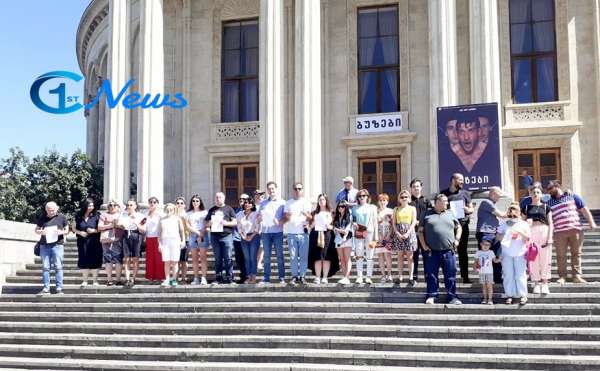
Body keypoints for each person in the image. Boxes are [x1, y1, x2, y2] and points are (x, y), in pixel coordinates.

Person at [546, 180, 598, 284]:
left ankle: (576, 276)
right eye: (547, 190)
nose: (549, 192)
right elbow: (535, 197)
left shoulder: (573, 196)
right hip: (559, 232)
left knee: (576, 254)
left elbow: (584, 210)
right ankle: (562, 277)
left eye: (550, 189)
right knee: (561, 255)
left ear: (557, 187)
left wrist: (591, 222)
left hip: (576, 230)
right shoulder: (548, 202)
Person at [419, 194, 462, 305]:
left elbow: (459, 227)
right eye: (445, 201)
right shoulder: (426, 214)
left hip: (448, 250)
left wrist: (457, 240)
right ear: (437, 202)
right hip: (431, 251)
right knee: (431, 274)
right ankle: (432, 295)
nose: (447, 203)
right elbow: (420, 231)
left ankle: (452, 297)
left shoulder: (450, 213)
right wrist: (424, 245)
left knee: (450, 274)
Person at [441, 173, 474, 284]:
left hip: (463, 225)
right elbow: (439, 208)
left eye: (462, 180)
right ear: (453, 180)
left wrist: (466, 209)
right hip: (449, 226)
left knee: (463, 251)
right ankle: (450, 277)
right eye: (460, 180)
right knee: (449, 251)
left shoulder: (465, 193)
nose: (462, 182)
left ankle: (465, 276)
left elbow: (471, 209)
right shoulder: (444, 193)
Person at [497, 203, 530, 305]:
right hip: (506, 253)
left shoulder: (524, 224)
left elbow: (527, 238)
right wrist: (506, 232)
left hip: (520, 253)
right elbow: (497, 238)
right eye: (510, 215)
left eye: (514, 215)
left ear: (519, 214)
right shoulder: (503, 223)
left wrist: (519, 232)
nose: (512, 217)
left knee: (520, 275)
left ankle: (523, 295)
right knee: (508, 275)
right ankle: (509, 295)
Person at [523, 185, 553, 294]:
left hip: (544, 231)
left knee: (545, 259)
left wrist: (550, 237)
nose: (536, 194)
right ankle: (536, 282)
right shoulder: (526, 208)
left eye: (538, 192)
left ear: (541, 194)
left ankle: (545, 283)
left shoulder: (546, 207)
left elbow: (551, 223)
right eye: (533, 192)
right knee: (533, 258)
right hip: (532, 232)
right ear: (530, 194)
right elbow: (522, 223)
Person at [35, 201, 69, 295]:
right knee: (46, 267)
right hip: (44, 245)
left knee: (58, 266)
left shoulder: (61, 217)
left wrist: (61, 232)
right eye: (49, 210)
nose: (51, 212)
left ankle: (59, 288)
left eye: (53, 210)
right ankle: (46, 288)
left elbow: (67, 230)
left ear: (57, 208)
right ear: (46, 210)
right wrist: (40, 232)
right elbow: (36, 230)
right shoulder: (43, 218)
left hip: (57, 245)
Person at [205, 192, 238, 284]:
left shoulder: (229, 209)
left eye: (220, 197)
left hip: (226, 236)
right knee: (218, 258)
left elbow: (235, 222)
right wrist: (210, 223)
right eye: (217, 197)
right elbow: (206, 224)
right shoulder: (212, 210)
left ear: (224, 198)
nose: (218, 199)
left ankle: (230, 278)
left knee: (228, 257)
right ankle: (218, 278)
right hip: (215, 237)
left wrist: (226, 223)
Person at [257, 182, 286, 285]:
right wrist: (259, 218)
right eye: (269, 189)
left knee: (279, 255)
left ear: (276, 189)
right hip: (265, 232)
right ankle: (266, 278)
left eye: (273, 188)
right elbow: (258, 217)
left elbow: (286, 217)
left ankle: (282, 277)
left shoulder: (282, 202)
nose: (271, 191)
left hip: (277, 232)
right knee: (266, 256)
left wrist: (280, 222)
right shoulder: (263, 203)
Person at [284, 182, 312, 285]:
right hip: (291, 233)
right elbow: (285, 217)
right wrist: (287, 216)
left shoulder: (306, 202)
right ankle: (294, 276)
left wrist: (306, 215)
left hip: (303, 234)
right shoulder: (288, 203)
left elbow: (310, 218)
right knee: (293, 257)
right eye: (295, 189)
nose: (297, 191)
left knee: (304, 257)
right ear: (293, 190)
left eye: (300, 189)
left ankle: (303, 276)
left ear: (302, 190)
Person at [475, 186, 505, 284]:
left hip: (493, 233)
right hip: (485, 233)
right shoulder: (486, 202)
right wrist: (514, 213)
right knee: (485, 257)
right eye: (498, 195)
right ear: (492, 194)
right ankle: (486, 280)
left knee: (496, 255)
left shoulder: (492, 204)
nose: (500, 198)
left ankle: (497, 278)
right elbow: (501, 214)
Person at [308, 194, 339, 284]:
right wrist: (312, 224)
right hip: (315, 235)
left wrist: (330, 226)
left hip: (327, 235)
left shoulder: (331, 212)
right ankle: (317, 277)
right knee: (317, 257)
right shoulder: (314, 213)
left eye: (323, 199)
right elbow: (310, 225)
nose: (321, 201)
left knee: (326, 256)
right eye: (320, 200)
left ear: (326, 201)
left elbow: (335, 226)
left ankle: (325, 277)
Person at [73, 198, 102, 287]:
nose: (91, 207)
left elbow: (101, 228)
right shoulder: (78, 215)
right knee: (83, 259)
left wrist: (94, 230)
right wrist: (80, 232)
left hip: (94, 241)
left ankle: (95, 281)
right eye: (89, 205)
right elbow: (73, 228)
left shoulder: (97, 215)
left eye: (92, 205)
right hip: (82, 241)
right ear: (85, 205)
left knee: (95, 260)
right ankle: (85, 280)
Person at [352, 189, 379, 284]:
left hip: (370, 232)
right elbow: (353, 219)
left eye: (364, 195)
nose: (362, 197)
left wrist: (376, 235)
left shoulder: (373, 207)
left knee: (370, 254)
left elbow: (375, 221)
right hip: (359, 232)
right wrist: (354, 223)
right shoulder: (355, 208)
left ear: (367, 197)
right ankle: (359, 276)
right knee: (359, 254)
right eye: (360, 196)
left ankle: (368, 276)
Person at [116, 199, 145, 287]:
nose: (129, 207)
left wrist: (136, 222)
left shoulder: (140, 216)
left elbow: (143, 230)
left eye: (131, 205)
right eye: (128, 205)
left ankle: (133, 278)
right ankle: (127, 279)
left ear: (135, 206)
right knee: (126, 258)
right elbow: (118, 224)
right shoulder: (123, 215)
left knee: (135, 259)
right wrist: (121, 225)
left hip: (136, 235)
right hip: (126, 235)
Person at [391, 190, 418, 284]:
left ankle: (411, 277)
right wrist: (397, 233)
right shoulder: (396, 209)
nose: (404, 198)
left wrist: (408, 233)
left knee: (410, 257)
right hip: (398, 233)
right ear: (399, 198)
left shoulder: (412, 208)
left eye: (406, 197)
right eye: (402, 197)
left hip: (409, 233)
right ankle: (400, 276)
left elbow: (414, 221)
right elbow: (393, 223)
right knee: (400, 256)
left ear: (409, 198)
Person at [159, 203, 186, 287]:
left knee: (175, 262)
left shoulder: (178, 219)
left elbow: (182, 231)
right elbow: (159, 233)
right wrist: (159, 244)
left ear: (174, 210)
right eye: (167, 209)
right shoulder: (162, 220)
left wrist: (183, 241)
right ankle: (167, 279)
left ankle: (174, 279)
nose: (169, 211)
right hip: (165, 242)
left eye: (171, 209)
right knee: (166, 262)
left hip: (175, 241)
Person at [97, 200, 124, 286]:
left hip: (118, 239)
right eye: (110, 205)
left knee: (118, 259)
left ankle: (118, 279)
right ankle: (109, 279)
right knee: (108, 259)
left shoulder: (122, 215)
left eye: (114, 205)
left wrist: (117, 225)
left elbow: (124, 226)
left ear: (118, 206)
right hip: (106, 240)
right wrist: (110, 225)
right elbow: (99, 227)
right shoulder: (104, 215)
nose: (112, 207)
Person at [409, 178, 430, 284]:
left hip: (425, 233)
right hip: (413, 233)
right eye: (414, 186)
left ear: (421, 187)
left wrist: (422, 222)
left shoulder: (426, 201)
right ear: (411, 189)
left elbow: (431, 215)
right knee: (414, 255)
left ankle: (427, 275)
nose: (416, 188)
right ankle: (414, 276)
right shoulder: (409, 202)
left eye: (417, 186)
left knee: (426, 254)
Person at [140, 197, 165, 284]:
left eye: (154, 202)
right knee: (149, 258)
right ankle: (150, 277)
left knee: (159, 258)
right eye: (150, 202)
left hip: (158, 238)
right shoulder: (146, 214)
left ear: (157, 204)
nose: (152, 204)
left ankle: (159, 277)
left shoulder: (161, 214)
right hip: (148, 238)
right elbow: (142, 225)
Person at [185, 195, 209, 285]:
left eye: (197, 201)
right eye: (194, 201)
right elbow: (187, 226)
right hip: (193, 235)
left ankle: (203, 277)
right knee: (194, 258)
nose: (195, 202)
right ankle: (196, 278)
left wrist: (201, 232)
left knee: (203, 257)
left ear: (200, 202)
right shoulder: (188, 213)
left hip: (203, 234)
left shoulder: (205, 212)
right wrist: (196, 233)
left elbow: (207, 223)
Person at [237, 197, 260, 284]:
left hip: (254, 236)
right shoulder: (239, 214)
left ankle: (253, 277)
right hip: (244, 237)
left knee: (252, 257)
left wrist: (252, 236)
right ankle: (248, 276)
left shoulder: (256, 214)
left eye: (249, 203)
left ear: (253, 204)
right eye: (246, 203)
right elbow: (238, 226)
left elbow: (258, 226)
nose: (247, 204)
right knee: (247, 258)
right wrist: (243, 235)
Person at [474, 236, 500, 305]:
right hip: (482, 272)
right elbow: (476, 262)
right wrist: (475, 268)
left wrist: (500, 259)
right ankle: (485, 299)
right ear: (481, 244)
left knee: (489, 285)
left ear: (490, 246)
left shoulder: (491, 252)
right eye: (484, 244)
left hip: (489, 272)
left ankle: (490, 299)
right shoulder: (478, 252)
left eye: (487, 245)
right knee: (484, 286)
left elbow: (495, 260)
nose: (485, 246)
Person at [333, 201, 353, 285]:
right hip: (338, 240)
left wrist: (338, 230)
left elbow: (346, 231)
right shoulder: (336, 217)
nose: (340, 208)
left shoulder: (349, 216)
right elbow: (334, 230)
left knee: (347, 258)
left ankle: (347, 277)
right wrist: (338, 230)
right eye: (339, 207)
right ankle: (344, 277)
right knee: (342, 259)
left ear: (346, 208)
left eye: (342, 206)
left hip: (347, 240)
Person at [375, 193, 393, 284]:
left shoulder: (391, 211)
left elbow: (393, 225)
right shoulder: (376, 211)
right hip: (379, 235)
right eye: (380, 200)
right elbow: (375, 225)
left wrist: (388, 235)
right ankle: (383, 275)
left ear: (387, 201)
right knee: (380, 256)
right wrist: (378, 236)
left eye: (384, 200)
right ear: (378, 202)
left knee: (388, 255)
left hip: (388, 235)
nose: (382, 202)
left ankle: (389, 274)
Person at [232, 195, 247, 284]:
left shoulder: (251, 210)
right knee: (239, 258)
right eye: (240, 199)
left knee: (247, 258)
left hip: (247, 238)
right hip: (237, 238)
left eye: (244, 199)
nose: (241, 200)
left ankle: (248, 276)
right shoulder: (236, 211)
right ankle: (243, 276)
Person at [175, 197, 190, 283]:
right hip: (174, 239)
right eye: (178, 203)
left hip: (185, 239)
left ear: (184, 205)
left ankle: (184, 278)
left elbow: (189, 227)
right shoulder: (173, 215)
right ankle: (175, 278)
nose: (179, 205)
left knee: (184, 260)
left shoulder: (187, 215)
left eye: (181, 203)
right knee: (176, 260)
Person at [253, 190, 266, 270]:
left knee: (262, 247)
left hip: (264, 229)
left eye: (261, 195)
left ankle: (259, 262)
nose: (259, 196)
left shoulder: (265, 204)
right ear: (254, 196)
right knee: (255, 247)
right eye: (257, 195)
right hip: (254, 229)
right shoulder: (252, 206)